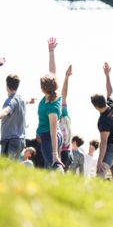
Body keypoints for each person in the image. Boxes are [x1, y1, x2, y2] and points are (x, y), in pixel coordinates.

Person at [92, 62, 113, 181]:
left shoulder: (103, 121)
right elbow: (110, 91)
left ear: (96, 106)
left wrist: (99, 161)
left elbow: (104, 142)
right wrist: (107, 75)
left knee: (100, 171)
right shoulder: (112, 104)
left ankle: (96, 195)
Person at [37, 37, 63, 170]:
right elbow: (52, 72)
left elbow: (53, 131)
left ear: (43, 88)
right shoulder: (53, 95)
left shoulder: (51, 107)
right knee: (50, 167)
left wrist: (54, 154)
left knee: (54, 165)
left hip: (50, 138)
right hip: (49, 135)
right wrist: (51, 51)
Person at [1, 73, 26, 160]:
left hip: (10, 141)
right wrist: (30, 101)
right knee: (11, 169)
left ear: (6, 86)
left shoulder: (10, 100)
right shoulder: (21, 100)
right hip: (20, 141)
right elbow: (24, 102)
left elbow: (6, 110)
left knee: (5, 170)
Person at [59, 65, 73, 171]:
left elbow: (64, 95)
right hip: (56, 151)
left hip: (66, 151)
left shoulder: (63, 114)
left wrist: (66, 77)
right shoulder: (49, 117)